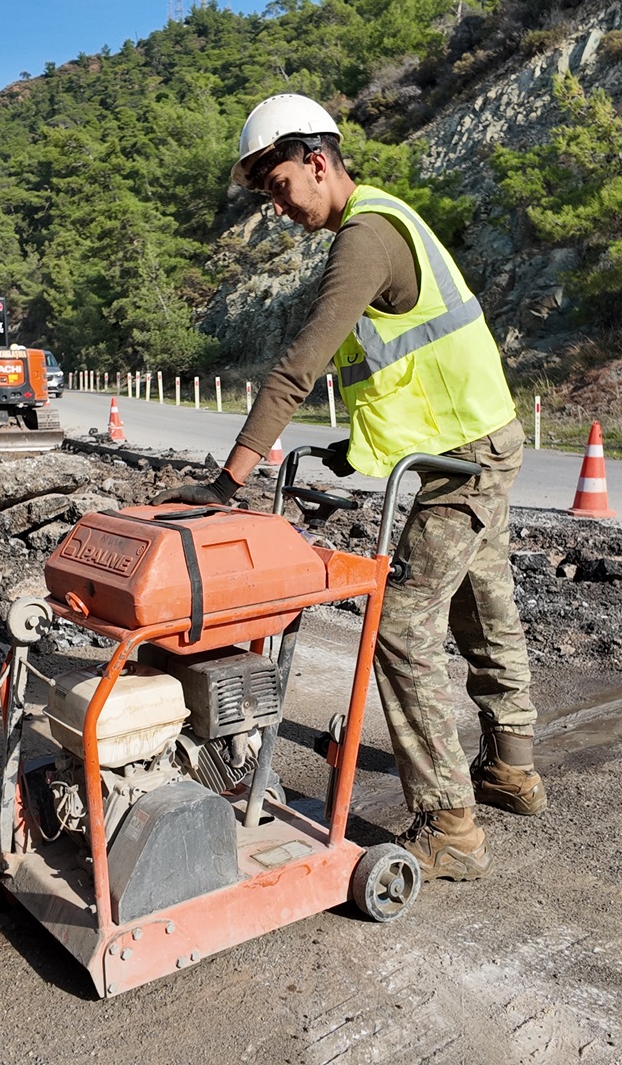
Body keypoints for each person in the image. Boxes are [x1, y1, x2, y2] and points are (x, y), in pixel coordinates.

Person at [153, 93, 543, 881]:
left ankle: (451, 827)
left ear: (317, 161)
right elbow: (412, 374)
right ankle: (511, 769)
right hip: (478, 441)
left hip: (459, 464)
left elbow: (303, 362)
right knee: (483, 608)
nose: (277, 205)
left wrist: (233, 474)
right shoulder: (389, 220)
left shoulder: (365, 237)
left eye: (278, 185)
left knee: (399, 625)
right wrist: (345, 452)